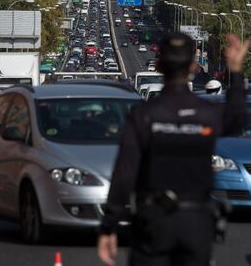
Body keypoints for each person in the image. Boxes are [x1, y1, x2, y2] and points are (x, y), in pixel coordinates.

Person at [98, 33, 249, 266]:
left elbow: (124, 174)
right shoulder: (206, 113)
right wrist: (236, 71)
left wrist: (109, 224)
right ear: (193, 66)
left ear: (158, 65)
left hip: (153, 223)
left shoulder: (144, 115)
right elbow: (237, 118)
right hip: (196, 224)